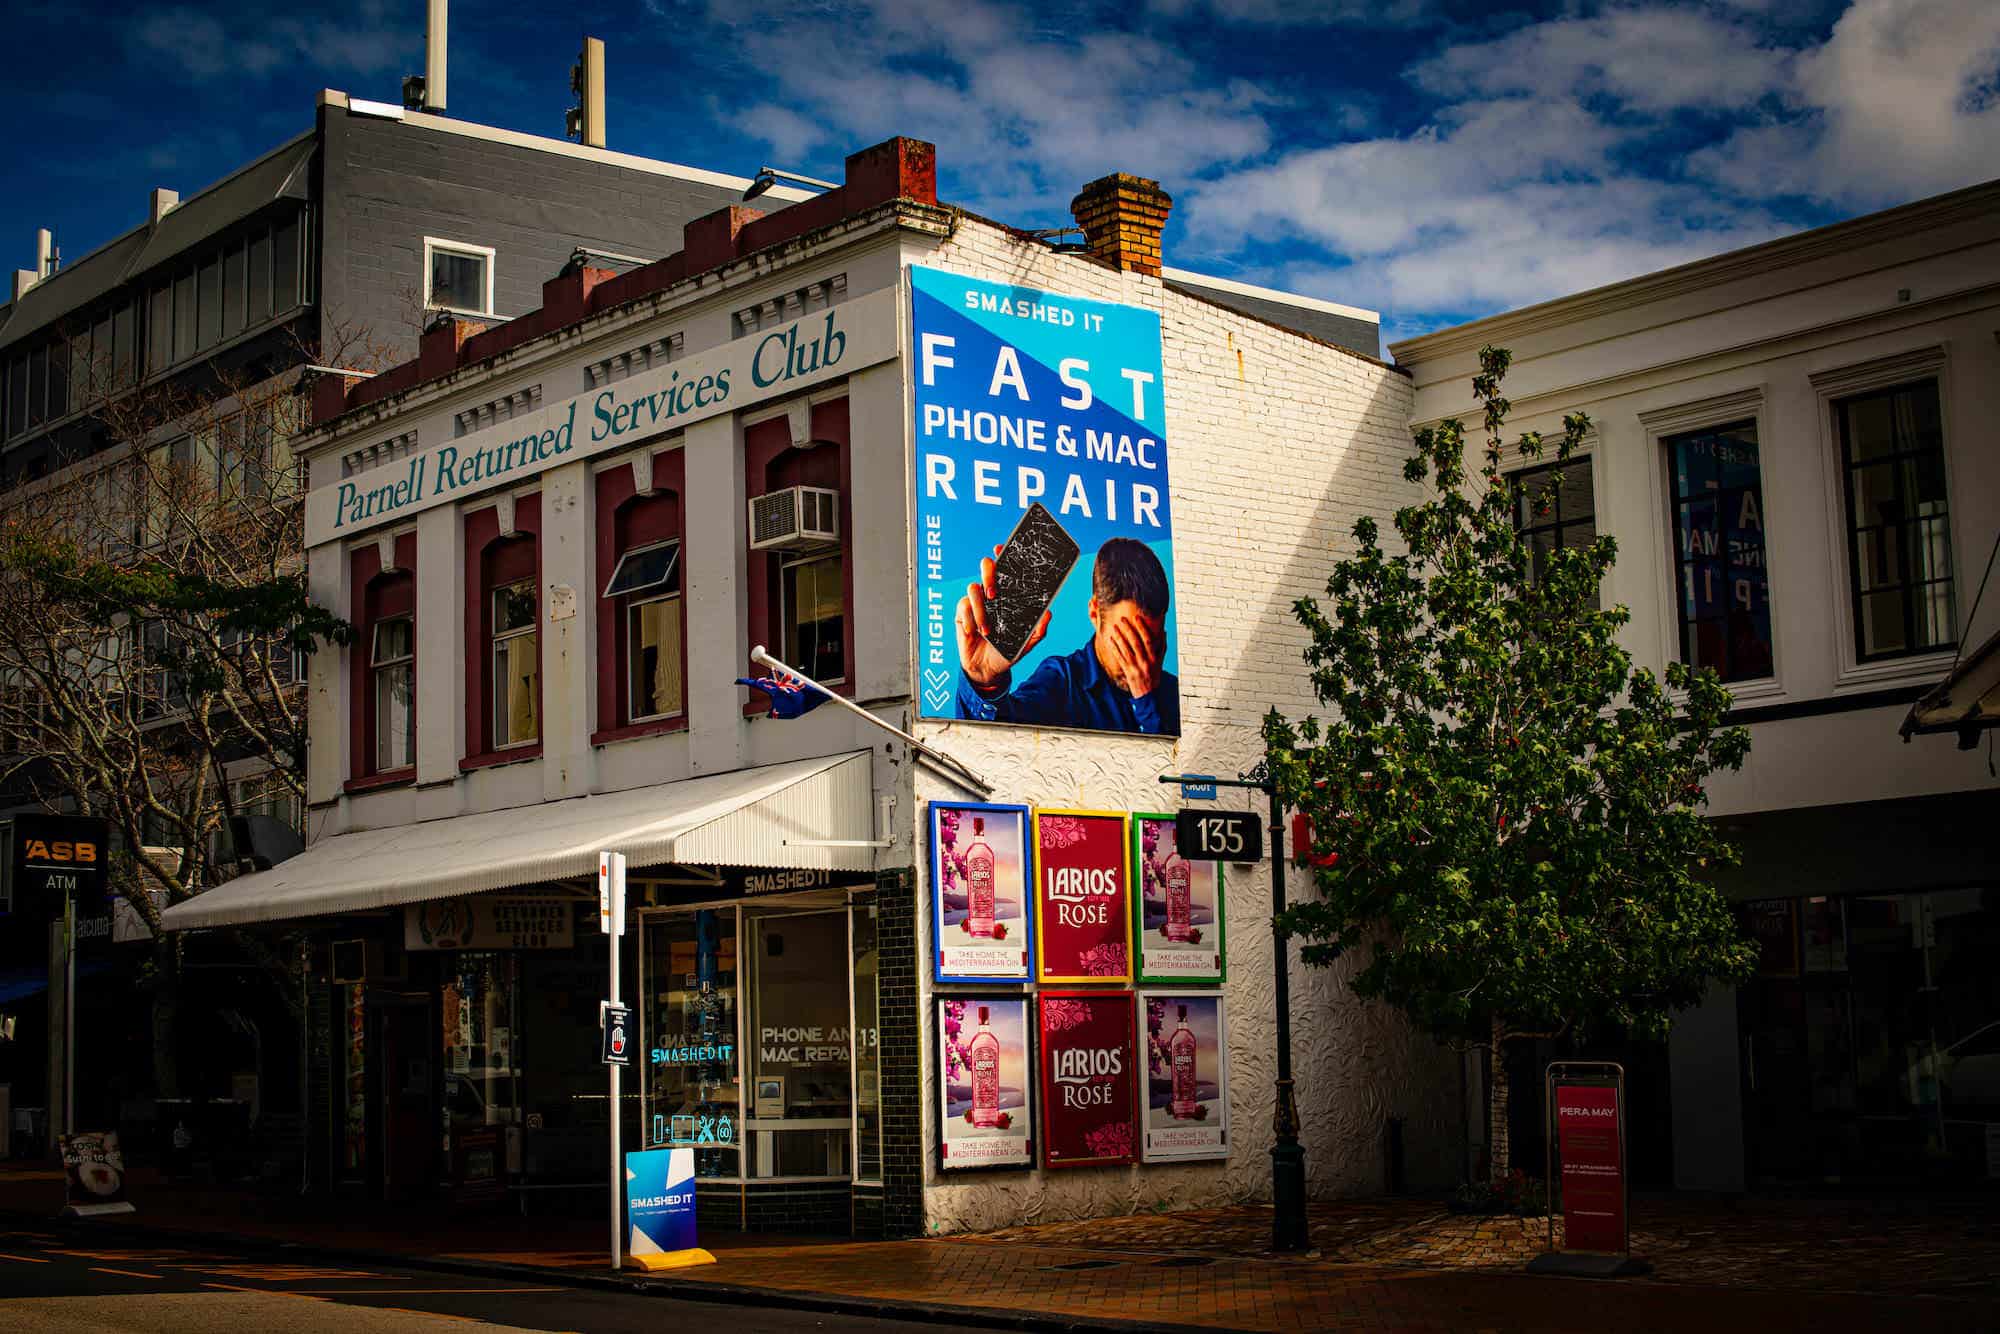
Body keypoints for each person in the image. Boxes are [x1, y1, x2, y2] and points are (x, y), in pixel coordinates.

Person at [955, 536, 1179, 734]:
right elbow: (996, 743)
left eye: (1151, 645)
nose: (1140, 666)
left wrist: (1147, 701)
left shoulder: (1175, 695)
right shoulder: (1062, 684)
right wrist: (982, 680)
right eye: (1128, 644)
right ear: (1094, 612)